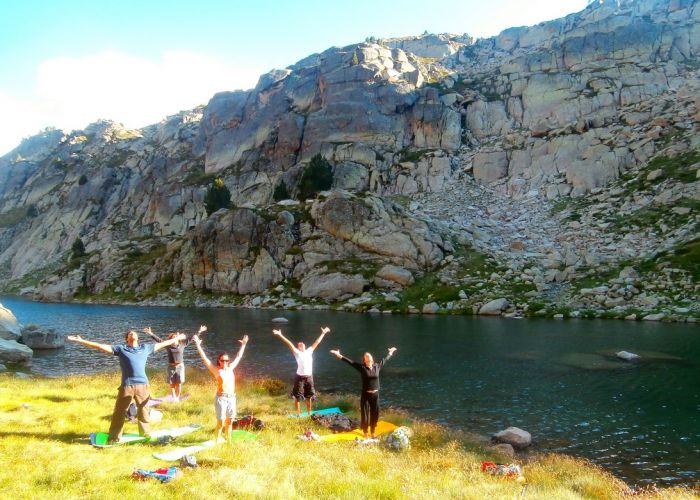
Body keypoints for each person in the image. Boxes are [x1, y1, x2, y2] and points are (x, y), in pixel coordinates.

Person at [66, 330, 186, 444]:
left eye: (134, 333)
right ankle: (114, 437)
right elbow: (100, 346)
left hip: (143, 385)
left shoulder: (145, 348)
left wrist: (178, 338)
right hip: (127, 386)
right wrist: (81, 340)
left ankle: (145, 434)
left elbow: (165, 343)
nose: (132, 334)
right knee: (119, 412)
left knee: (143, 410)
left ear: (138, 338)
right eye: (129, 334)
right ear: (127, 339)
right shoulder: (121, 349)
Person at [330, 346, 397, 438]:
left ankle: (373, 431)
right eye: (366, 356)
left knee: (375, 413)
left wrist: (390, 352)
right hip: (366, 394)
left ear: (372, 358)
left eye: (369, 355)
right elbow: (350, 362)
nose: (368, 356)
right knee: (365, 414)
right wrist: (338, 355)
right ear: (364, 360)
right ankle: (365, 432)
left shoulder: (377, 366)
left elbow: (385, 360)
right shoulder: (362, 368)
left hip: (375, 394)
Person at [192, 332, 248, 443]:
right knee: (221, 422)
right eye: (223, 361)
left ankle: (229, 441)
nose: (225, 362)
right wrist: (198, 344)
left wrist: (244, 344)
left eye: (227, 360)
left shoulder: (231, 367)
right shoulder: (216, 370)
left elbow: (239, 356)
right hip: (221, 398)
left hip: (231, 398)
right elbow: (204, 358)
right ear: (219, 361)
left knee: (230, 421)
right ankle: (216, 441)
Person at [273, 326, 330, 417]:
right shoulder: (297, 352)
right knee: (297, 397)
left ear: (305, 346)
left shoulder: (309, 351)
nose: (301, 344)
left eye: (302, 343)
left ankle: (309, 413)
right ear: (298, 347)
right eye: (299, 344)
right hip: (299, 378)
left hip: (309, 377)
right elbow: (289, 343)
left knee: (309, 396)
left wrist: (323, 333)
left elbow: (317, 342)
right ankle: (298, 415)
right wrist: (280, 334)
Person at [142, 325, 207, 401]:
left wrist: (200, 331)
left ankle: (177, 397)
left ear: (178, 339)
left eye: (176, 337)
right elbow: (158, 340)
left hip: (180, 367)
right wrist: (150, 333)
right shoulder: (168, 345)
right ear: (171, 339)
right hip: (171, 367)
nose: (174, 338)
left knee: (179, 384)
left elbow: (193, 337)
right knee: (172, 384)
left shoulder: (183, 344)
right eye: (173, 337)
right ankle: (174, 399)